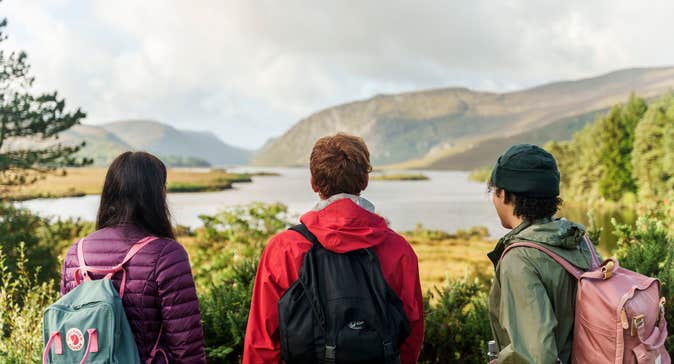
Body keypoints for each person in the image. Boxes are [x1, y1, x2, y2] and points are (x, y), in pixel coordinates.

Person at [243, 133, 424, 364]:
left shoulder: (284, 248)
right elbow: (411, 331)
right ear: (364, 182)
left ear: (313, 183)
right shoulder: (399, 250)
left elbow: (263, 340)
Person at [61, 151, 206, 363]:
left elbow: (68, 329)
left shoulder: (76, 252)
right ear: (155, 195)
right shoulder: (167, 255)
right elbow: (186, 345)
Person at [486, 144, 599, 364]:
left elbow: (535, 355)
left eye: (494, 191)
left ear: (505, 194)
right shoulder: (577, 239)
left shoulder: (519, 258)